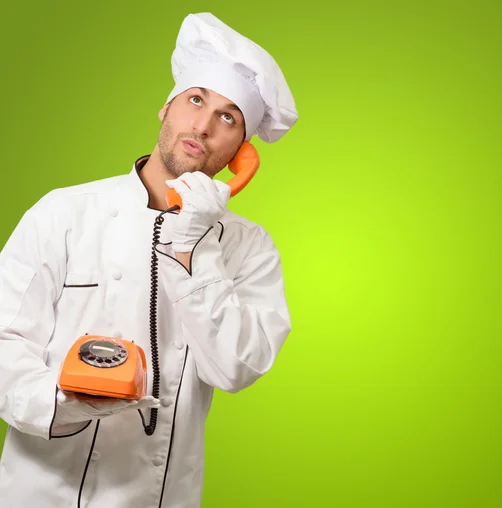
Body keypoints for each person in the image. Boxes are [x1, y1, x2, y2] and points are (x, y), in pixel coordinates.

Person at [0, 12, 297, 508]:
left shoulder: (250, 249)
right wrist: (62, 401)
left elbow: (237, 367)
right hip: (40, 492)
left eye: (228, 117)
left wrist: (191, 247)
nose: (202, 125)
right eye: (195, 100)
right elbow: (3, 339)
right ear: (166, 108)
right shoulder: (64, 212)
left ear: (242, 150)